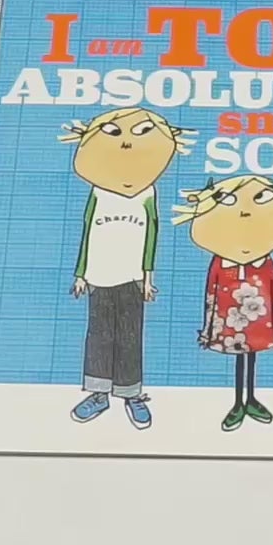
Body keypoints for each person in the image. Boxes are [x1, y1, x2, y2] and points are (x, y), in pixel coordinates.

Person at [62, 106, 195, 429]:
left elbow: (151, 235)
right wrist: (80, 274)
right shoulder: (97, 192)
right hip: (98, 276)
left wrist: (148, 278)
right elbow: (87, 231)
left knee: (130, 337)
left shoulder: (147, 193)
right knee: (99, 335)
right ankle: (98, 393)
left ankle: (131, 394)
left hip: (132, 277)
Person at [173, 175, 273, 431]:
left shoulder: (265, 263)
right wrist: (208, 330)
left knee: (251, 359)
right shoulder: (220, 262)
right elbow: (211, 295)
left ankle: (251, 400)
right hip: (229, 324)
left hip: (258, 324)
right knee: (239, 361)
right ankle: (239, 402)